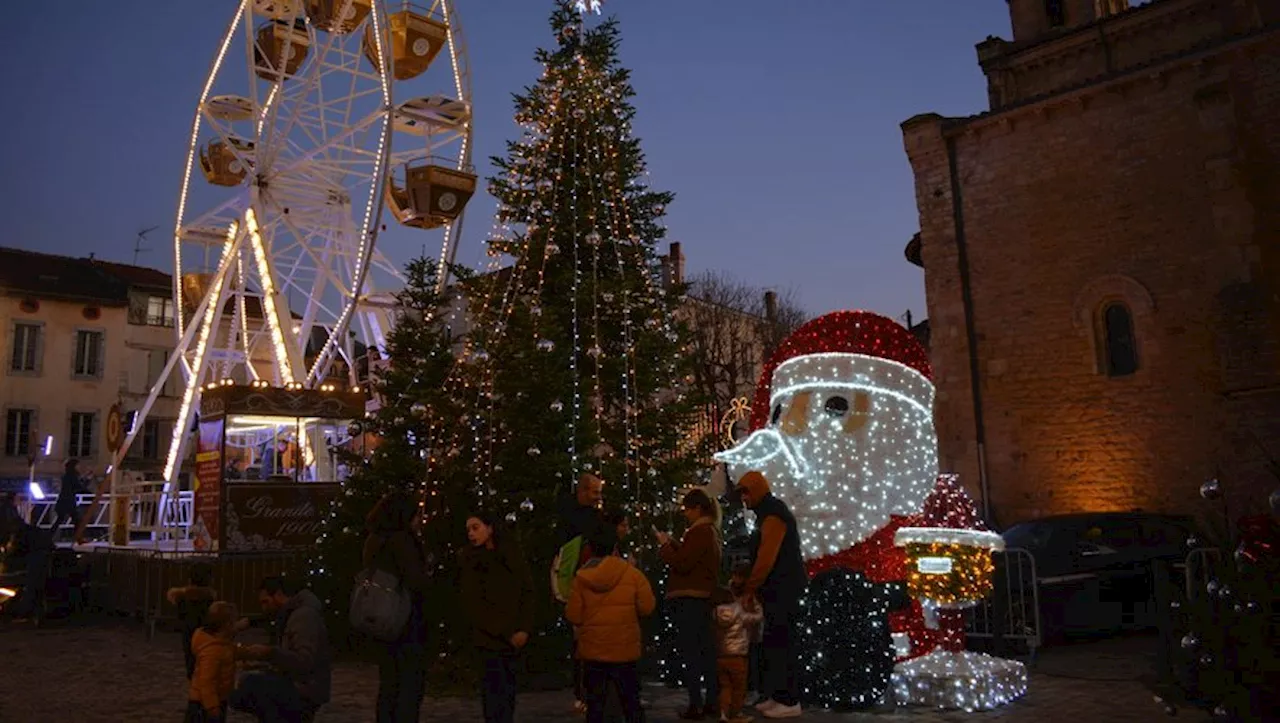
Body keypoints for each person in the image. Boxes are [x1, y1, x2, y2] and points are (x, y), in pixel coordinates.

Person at [565, 526, 656, 723]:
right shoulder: (632, 575)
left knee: (595, 705)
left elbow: (573, 615)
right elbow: (647, 607)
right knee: (631, 702)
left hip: (593, 650)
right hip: (625, 649)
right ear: (615, 547)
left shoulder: (581, 579)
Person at [736, 471, 806, 719]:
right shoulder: (768, 513)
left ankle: (788, 700)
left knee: (782, 642)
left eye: (745, 492)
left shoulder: (773, 515)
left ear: (755, 490)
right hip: (778, 589)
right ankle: (777, 696)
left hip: (782, 590)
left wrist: (750, 587)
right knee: (774, 643)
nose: (743, 498)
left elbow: (767, 558)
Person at [458, 512, 535, 723]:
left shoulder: (511, 555)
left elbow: (527, 591)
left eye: (476, 527)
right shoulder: (470, 560)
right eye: (469, 530)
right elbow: (474, 604)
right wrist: (506, 631)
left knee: (508, 696)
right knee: (493, 698)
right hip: (488, 640)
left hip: (512, 639)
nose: (472, 534)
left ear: (490, 528)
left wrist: (523, 628)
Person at [363, 491, 432, 723]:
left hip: (379, 615)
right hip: (404, 618)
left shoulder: (374, 538)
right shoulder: (402, 540)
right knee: (409, 684)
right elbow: (416, 580)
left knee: (389, 681)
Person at [656, 488, 723, 720]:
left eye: (687, 509)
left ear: (697, 509)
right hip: (701, 598)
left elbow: (683, 563)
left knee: (693, 653)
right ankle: (712, 701)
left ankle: (698, 703)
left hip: (690, 600)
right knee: (704, 651)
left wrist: (665, 547)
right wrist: (675, 543)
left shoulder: (700, 532)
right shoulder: (708, 532)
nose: (685, 514)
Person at [231, 576, 331, 723]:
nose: (264, 608)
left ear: (278, 595)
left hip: (306, 689)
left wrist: (268, 653)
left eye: (266, 602)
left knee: (249, 686)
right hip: (297, 683)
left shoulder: (303, 617)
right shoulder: (289, 615)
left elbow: (304, 661)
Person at [713, 566, 764, 723]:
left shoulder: (715, 612)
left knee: (725, 686)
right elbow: (757, 617)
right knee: (738, 687)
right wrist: (756, 607)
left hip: (721, 655)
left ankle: (723, 713)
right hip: (739, 655)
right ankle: (735, 714)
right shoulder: (740, 611)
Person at [187, 601, 239, 723]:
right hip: (204, 703)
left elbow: (233, 651)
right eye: (233, 622)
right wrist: (211, 706)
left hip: (216, 698)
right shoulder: (212, 650)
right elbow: (206, 681)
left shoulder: (222, 643)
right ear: (226, 625)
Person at [168, 562, 219, 680]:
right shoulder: (209, 599)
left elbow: (180, 615)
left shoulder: (182, 597)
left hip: (188, 633)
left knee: (191, 664)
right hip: (207, 634)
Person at [51, 459, 92, 543]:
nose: (79, 467)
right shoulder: (72, 476)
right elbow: (79, 487)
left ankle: (48, 536)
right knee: (76, 520)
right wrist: (87, 480)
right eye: (77, 465)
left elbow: (76, 485)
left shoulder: (68, 476)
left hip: (64, 502)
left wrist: (84, 479)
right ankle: (78, 538)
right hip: (68, 502)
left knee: (61, 520)